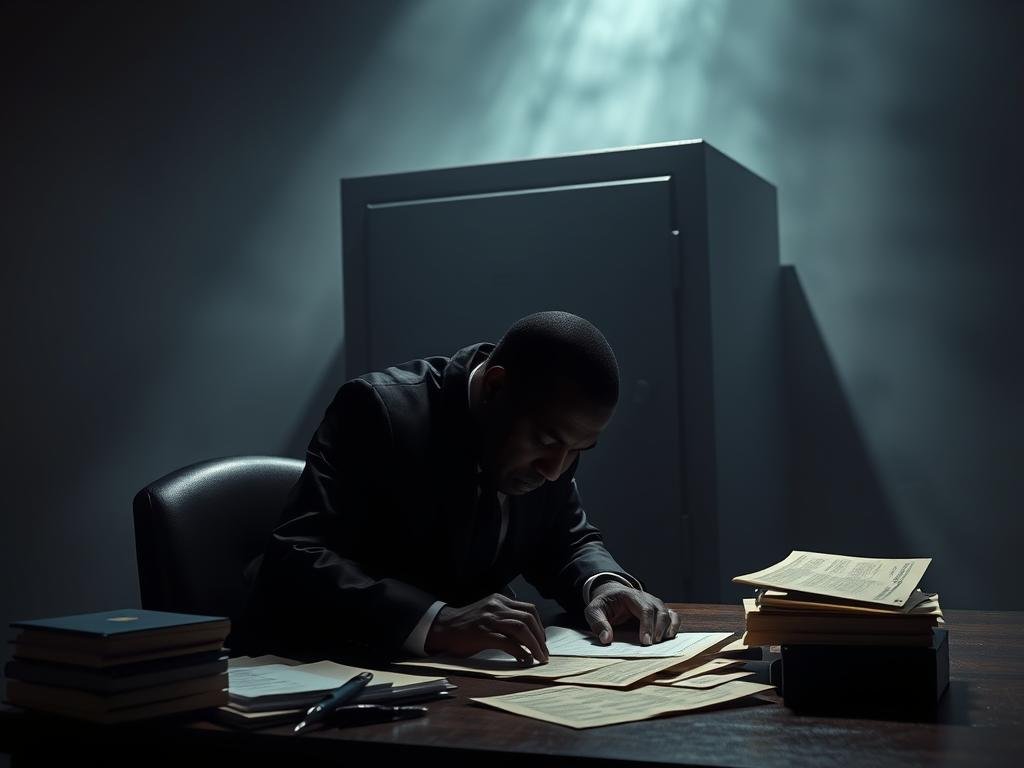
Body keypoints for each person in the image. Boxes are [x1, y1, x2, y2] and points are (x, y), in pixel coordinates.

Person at [240, 311, 679, 662]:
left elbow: (565, 537)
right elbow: (295, 555)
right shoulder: (378, 411)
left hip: (464, 684)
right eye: (548, 442)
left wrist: (603, 585)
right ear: (495, 386)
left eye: (578, 450)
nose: (554, 469)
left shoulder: (548, 441)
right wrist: (437, 621)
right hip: (323, 674)